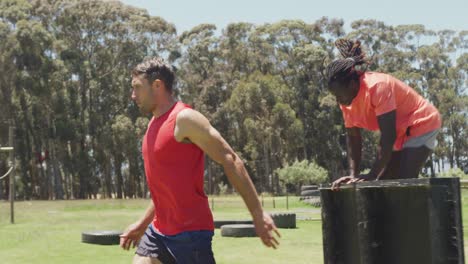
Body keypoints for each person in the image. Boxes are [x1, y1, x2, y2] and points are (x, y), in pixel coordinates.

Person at [120, 57, 280, 264]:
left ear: (157, 85)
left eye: (137, 88)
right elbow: (166, 188)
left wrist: (258, 214)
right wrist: (142, 224)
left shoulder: (184, 119)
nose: (133, 95)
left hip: (190, 235)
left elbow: (230, 159)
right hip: (159, 231)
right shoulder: (152, 124)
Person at [327, 39, 441, 190]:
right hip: (400, 131)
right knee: (383, 183)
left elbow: (388, 136)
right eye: (335, 95)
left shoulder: (377, 86)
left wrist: (372, 174)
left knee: (403, 181)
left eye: (340, 94)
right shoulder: (346, 102)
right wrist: (353, 176)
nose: (338, 100)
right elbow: (353, 138)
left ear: (353, 84)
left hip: (421, 121)